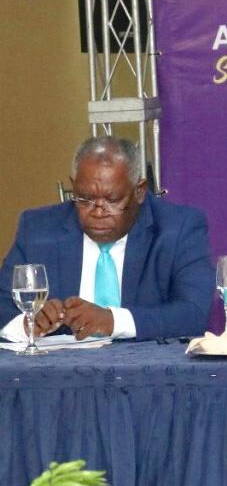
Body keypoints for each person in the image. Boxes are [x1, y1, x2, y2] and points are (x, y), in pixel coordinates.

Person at [0, 136, 215, 341]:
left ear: (139, 191)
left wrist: (113, 321)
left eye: (113, 200)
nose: (98, 212)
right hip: (60, 364)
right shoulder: (38, 229)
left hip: (146, 365)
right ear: (74, 186)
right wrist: (27, 322)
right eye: (85, 199)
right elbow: (3, 303)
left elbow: (193, 312)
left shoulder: (177, 228)